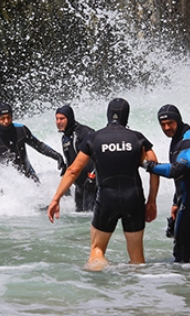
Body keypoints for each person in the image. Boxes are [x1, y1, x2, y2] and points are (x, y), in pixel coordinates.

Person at [47, 98, 160, 271]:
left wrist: (56, 199)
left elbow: (73, 170)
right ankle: (139, 295)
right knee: (137, 258)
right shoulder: (137, 138)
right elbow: (155, 167)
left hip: (107, 199)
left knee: (97, 251)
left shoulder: (94, 138)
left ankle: (99, 294)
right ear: (126, 116)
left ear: (108, 114)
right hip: (134, 198)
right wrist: (152, 201)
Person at [143, 104, 190, 263]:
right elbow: (184, 177)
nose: (166, 127)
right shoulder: (177, 139)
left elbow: (179, 169)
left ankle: (183, 287)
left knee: (181, 255)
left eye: (170, 123)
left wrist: (147, 165)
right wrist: (176, 202)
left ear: (178, 120)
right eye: (163, 124)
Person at [0, 103, 66, 182]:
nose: (6, 121)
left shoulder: (21, 130)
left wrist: (57, 156)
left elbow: (39, 146)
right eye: (2, 118)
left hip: (29, 175)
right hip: (7, 183)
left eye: (8, 117)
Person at [55, 105, 97, 212]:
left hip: (92, 186)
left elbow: (99, 153)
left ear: (69, 118)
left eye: (62, 119)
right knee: (80, 220)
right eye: (57, 119)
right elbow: (71, 162)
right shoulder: (65, 138)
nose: (58, 122)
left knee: (90, 218)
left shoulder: (83, 132)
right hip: (79, 187)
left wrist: (93, 176)